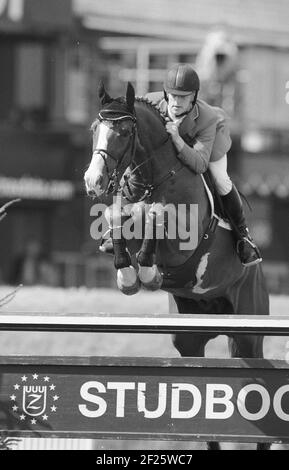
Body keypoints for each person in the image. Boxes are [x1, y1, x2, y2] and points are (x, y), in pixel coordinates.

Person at [145, 63, 261, 267]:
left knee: (220, 178)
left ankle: (243, 237)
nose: (176, 101)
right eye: (172, 95)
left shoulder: (207, 118)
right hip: (177, 141)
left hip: (210, 141)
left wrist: (178, 140)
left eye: (183, 96)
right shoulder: (149, 103)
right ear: (165, 93)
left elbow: (199, 164)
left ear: (194, 97)